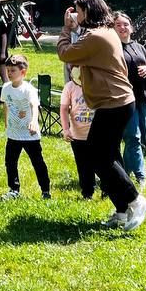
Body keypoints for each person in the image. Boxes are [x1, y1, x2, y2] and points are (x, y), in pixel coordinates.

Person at [56, 0, 146, 230]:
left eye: (79, 11)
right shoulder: (105, 31)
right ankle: (121, 211)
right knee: (109, 156)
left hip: (114, 103)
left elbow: (65, 54)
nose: (76, 16)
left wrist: (66, 30)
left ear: (89, 11)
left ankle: (136, 201)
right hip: (116, 101)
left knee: (98, 157)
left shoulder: (96, 37)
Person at [112, 11, 146, 190]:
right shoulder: (112, 49)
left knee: (140, 137)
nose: (123, 27)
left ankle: (124, 175)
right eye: (118, 25)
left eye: (125, 24)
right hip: (124, 100)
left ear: (132, 27)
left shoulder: (139, 47)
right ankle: (140, 176)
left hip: (142, 96)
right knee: (133, 137)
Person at [0, 54, 50, 200]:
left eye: (13, 71)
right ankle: (14, 189)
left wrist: (34, 121)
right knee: (10, 162)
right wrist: (6, 122)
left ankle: (45, 190)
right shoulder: (6, 88)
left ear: (23, 72)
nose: (9, 73)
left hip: (30, 134)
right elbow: (5, 105)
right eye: (8, 70)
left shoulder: (28, 90)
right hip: (13, 133)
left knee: (37, 162)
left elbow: (35, 105)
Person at [59, 68, 96, 199]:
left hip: (96, 133)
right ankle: (87, 192)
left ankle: (107, 190)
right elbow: (63, 109)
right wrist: (66, 129)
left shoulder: (98, 85)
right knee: (83, 165)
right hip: (77, 134)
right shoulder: (70, 87)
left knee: (100, 163)